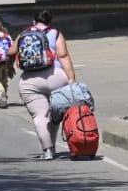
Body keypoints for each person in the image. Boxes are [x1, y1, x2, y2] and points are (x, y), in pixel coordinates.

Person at [7, 9, 76, 159]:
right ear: (50, 22)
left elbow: (11, 52)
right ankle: (53, 146)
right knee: (56, 113)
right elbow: (63, 56)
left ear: (34, 22)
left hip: (30, 81)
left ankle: (48, 151)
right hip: (56, 76)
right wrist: (71, 79)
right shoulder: (55, 33)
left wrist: (9, 67)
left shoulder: (24, 33)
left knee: (40, 116)